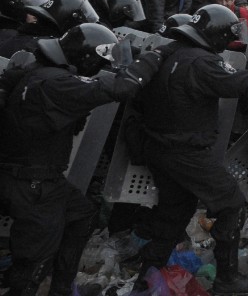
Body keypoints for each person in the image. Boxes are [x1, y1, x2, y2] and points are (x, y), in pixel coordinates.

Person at [132, 5, 248, 295]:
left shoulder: (169, 53)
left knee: (173, 214)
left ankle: (145, 281)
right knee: (231, 204)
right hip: (187, 152)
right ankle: (227, 278)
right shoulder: (202, 62)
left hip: (160, 148)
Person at [0, 23, 169, 296]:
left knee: (81, 214)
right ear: (87, 57)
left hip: (38, 179)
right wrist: (154, 57)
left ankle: (61, 288)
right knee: (33, 262)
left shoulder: (41, 72)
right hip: (32, 184)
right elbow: (120, 88)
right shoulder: (58, 83)